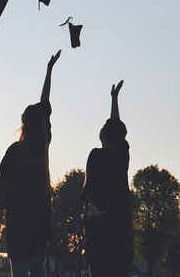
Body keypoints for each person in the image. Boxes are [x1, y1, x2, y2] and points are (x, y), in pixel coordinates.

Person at [0, 50, 61, 277]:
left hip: (19, 218)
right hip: (40, 214)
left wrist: (0, 212)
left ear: (23, 124)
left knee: (18, 269)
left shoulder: (15, 150)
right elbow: (45, 102)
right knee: (38, 268)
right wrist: (49, 70)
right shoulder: (43, 146)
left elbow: (5, 184)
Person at [80, 80, 132, 277]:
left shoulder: (96, 155)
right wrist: (114, 99)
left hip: (100, 228)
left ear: (103, 136)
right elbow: (117, 131)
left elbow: (90, 191)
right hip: (121, 230)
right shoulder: (123, 156)